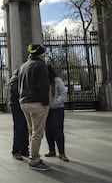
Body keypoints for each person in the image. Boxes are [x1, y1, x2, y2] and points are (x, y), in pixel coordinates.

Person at [18, 43, 50, 171]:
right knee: (37, 133)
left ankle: (33, 156)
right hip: (37, 102)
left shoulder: (23, 66)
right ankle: (34, 160)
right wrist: (46, 101)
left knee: (31, 131)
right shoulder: (41, 65)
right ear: (41, 54)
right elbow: (44, 85)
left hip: (24, 102)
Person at [45, 65, 69, 162]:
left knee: (57, 130)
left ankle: (62, 152)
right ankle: (52, 150)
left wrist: (54, 104)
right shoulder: (43, 82)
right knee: (48, 131)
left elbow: (63, 95)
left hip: (57, 109)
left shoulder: (57, 81)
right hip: (46, 109)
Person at [9, 69, 29, 160]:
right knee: (19, 128)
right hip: (17, 106)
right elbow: (16, 92)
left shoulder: (19, 78)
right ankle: (16, 150)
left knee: (25, 128)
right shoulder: (15, 78)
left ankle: (24, 149)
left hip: (23, 105)